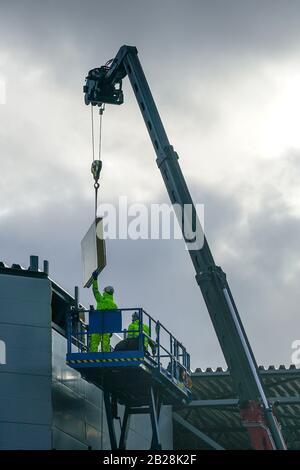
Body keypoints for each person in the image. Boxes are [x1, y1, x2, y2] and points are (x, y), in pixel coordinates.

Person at [90, 270, 118, 352]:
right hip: (108, 327)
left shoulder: (101, 300)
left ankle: (93, 355)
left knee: (94, 341)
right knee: (106, 341)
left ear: (105, 292)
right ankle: (105, 354)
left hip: (98, 324)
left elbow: (95, 291)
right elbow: (115, 319)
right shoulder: (114, 306)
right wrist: (112, 330)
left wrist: (95, 279)